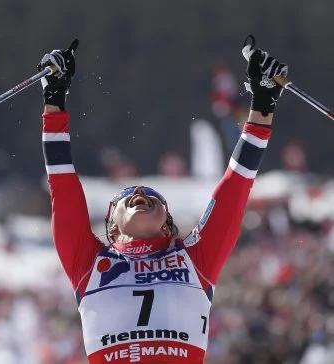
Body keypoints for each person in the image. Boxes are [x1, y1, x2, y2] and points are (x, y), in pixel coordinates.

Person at [37, 41, 287, 363]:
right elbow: (62, 183)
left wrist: (263, 100)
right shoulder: (88, 263)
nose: (139, 195)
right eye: (126, 198)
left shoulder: (195, 258)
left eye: (152, 198)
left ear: (167, 221)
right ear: (111, 225)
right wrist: (53, 96)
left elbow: (237, 184)